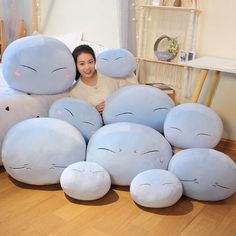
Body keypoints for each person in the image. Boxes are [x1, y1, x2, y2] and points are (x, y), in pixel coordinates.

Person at [69, 45, 138, 112]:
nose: (87, 67)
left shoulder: (108, 72)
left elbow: (130, 88)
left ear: (95, 61)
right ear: (75, 65)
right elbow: (82, 114)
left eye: (90, 62)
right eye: (82, 64)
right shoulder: (74, 92)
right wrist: (95, 110)